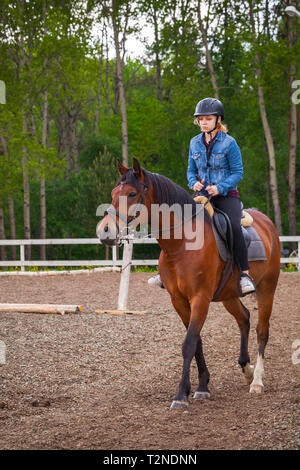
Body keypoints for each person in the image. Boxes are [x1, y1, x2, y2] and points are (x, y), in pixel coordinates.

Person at [148, 97, 256, 295]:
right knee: (176, 222)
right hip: (201, 195)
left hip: (226, 196)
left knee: (233, 226)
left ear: (218, 119)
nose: (203, 122)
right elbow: (190, 170)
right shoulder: (194, 143)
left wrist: (220, 187)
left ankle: (244, 274)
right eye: (201, 119)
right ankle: (166, 272)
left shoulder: (230, 143)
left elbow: (238, 173)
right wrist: (193, 182)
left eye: (208, 118)